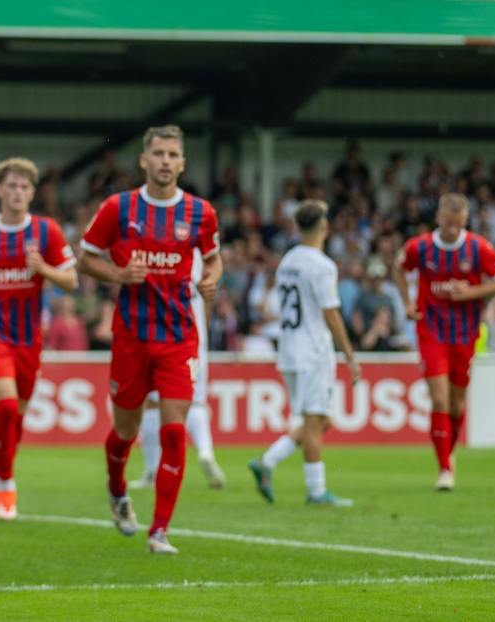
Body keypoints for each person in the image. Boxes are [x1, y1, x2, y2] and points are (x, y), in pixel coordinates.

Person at [79, 125, 221, 554]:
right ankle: (118, 488)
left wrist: (211, 281)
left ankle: (160, 530)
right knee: (126, 430)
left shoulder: (201, 212)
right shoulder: (118, 208)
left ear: (182, 163)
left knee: (175, 431)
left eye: (171, 154)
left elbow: (213, 260)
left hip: (179, 337)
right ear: (144, 160)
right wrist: (120, 275)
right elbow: (85, 259)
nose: (164, 160)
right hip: (131, 338)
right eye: (157, 153)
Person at [0, 157, 78, 521]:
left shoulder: (46, 231)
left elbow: (71, 280)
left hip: (29, 338)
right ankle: (5, 485)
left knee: (17, 415)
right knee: (7, 406)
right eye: (12, 185)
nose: (18, 192)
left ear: (33, 192)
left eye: (25, 187)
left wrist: (44, 269)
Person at [392, 192, 495, 491]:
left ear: (465, 221)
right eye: (448, 224)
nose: (454, 230)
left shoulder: (478, 247)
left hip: (465, 334)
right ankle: (445, 469)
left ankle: (449, 451)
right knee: (440, 399)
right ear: (438, 219)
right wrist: (406, 303)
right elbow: (399, 268)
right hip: (430, 331)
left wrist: (470, 293)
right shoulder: (419, 247)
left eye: (459, 225)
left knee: (456, 406)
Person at [248, 200, 362, 507]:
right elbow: (331, 314)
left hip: (289, 350)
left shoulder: (288, 260)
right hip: (313, 351)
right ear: (324, 227)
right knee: (315, 422)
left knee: (320, 420)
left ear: (298, 227)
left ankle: (267, 462)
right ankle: (316, 492)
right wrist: (350, 355)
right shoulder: (322, 265)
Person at [130, 248, 226, 491]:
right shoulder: (198, 251)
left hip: (162, 335)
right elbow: (208, 294)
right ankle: (206, 452)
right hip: (196, 337)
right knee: (196, 401)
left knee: (153, 402)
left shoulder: (160, 248)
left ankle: (152, 470)